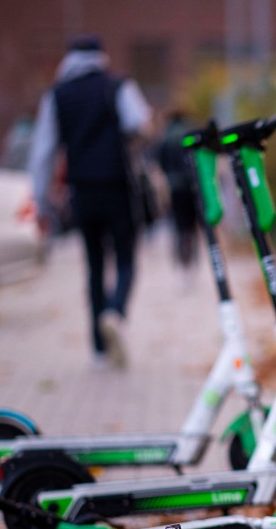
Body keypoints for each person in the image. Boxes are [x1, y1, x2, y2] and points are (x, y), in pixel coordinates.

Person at [28, 34, 152, 369]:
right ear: (102, 56)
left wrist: (40, 202)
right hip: (118, 187)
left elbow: (42, 152)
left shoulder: (57, 95)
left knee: (95, 266)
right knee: (126, 259)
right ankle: (115, 311)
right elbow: (139, 123)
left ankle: (98, 350)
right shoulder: (118, 86)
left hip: (81, 191)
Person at [157, 110, 200, 286]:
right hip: (193, 187)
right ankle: (193, 263)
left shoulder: (165, 139)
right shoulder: (190, 134)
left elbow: (160, 165)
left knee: (180, 229)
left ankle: (182, 266)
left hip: (175, 189)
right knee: (193, 229)